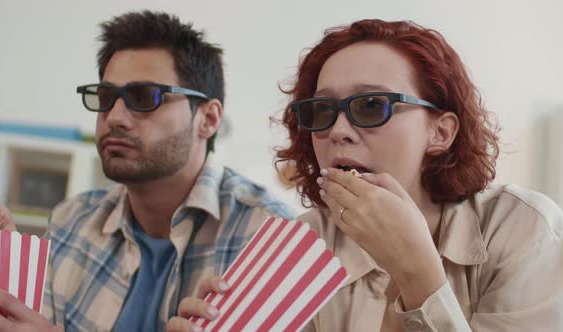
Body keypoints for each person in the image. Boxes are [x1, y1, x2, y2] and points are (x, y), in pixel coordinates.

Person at [169, 19, 563, 331]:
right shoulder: (305, 243)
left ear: (440, 132)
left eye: (372, 105)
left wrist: (418, 276)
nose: (338, 130)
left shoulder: (522, 228)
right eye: (322, 111)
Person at [0, 11, 294, 332]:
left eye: (144, 97)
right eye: (106, 97)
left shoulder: (269, 240)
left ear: (208, 119)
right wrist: (2, 267)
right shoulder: (72, 221)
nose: (114, 117)